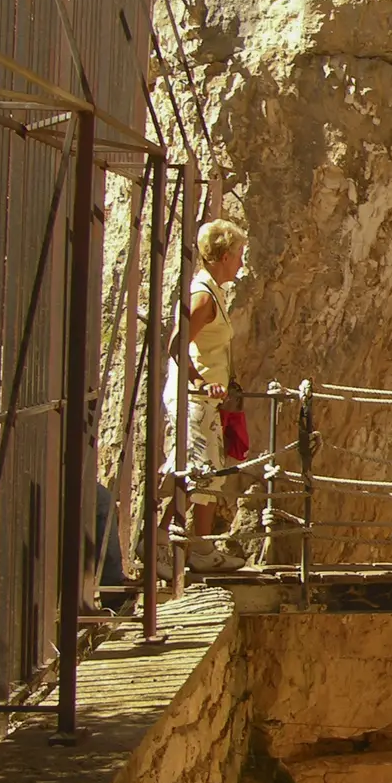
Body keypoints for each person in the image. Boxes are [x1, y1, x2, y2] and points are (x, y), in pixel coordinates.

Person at [157, 218, 256, 574]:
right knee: (197, 474)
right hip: (193, 399)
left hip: (206, 400)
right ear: (225, 255)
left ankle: (199, 548)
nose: (241, 262)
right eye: (239, 254)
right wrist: (199, 382)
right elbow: (177, 344)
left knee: (209, 474)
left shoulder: (214, 291)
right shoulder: (203, 296)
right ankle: (160, 542)